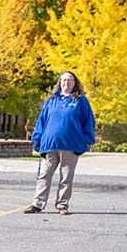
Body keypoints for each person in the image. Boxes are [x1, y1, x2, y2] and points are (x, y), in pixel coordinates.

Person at [24, 71, 95, 215]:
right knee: (44, 175)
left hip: (71, 146)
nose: (66, 83)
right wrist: (37, 139)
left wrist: (87, 141)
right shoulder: (51, 100)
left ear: (75, 83)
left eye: (70, 80)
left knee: (66, 177)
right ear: (60, 82)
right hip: (50, 145)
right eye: (64, 80)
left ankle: (62, 205)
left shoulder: (80, 100)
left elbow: (89, 121)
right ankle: (37, 204)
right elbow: (41, 121)